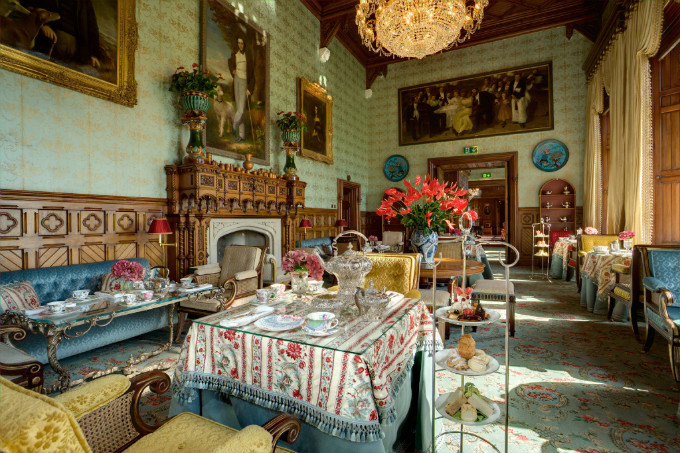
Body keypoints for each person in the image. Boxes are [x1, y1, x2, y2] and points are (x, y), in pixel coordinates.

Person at [27, 0, 103, 68]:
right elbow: (29, 6)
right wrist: (43, 25)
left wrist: (94, 54)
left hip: (78, 49)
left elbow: (92, 26)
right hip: (53, 41)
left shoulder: (85, 2)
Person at [228, 36, 255, 143]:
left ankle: (234, 124)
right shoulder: (235, 54)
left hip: (244, 82)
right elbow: (230, 63)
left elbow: (252, 76)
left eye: (242, 43)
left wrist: (250, 89)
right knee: (239, 108)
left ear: (245, 44)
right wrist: (232, 70)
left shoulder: (248, 57)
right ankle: (242, 136)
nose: (240, 45)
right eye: (239, 43)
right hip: (237, 80)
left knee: (241, 109)